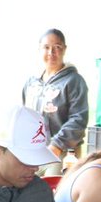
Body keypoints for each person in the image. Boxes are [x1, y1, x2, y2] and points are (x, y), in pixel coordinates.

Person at [22, 28, 88, 173]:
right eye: (46, 47)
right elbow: (24, 115)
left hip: (62, 152)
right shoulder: (32, 83)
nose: (51, 53)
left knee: (53, 190)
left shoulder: (73, 81)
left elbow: (79, 119)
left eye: (57, 47)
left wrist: (56, 146)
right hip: (33, 151)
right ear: (39, 49)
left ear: (64, 49)